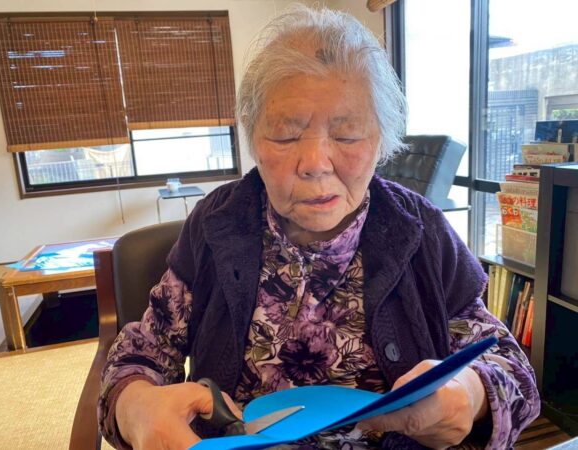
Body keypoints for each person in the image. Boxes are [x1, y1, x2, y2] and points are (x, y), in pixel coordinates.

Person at [98, 4, 540, 449]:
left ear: (382, 139)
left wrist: (471, 394)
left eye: (347, 134)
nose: (315, 163)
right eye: (285, 135)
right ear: (253, 138)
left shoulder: (422, 230)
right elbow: (142, 352)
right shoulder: (216, 224)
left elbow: (510, 367)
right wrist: (136, 407)